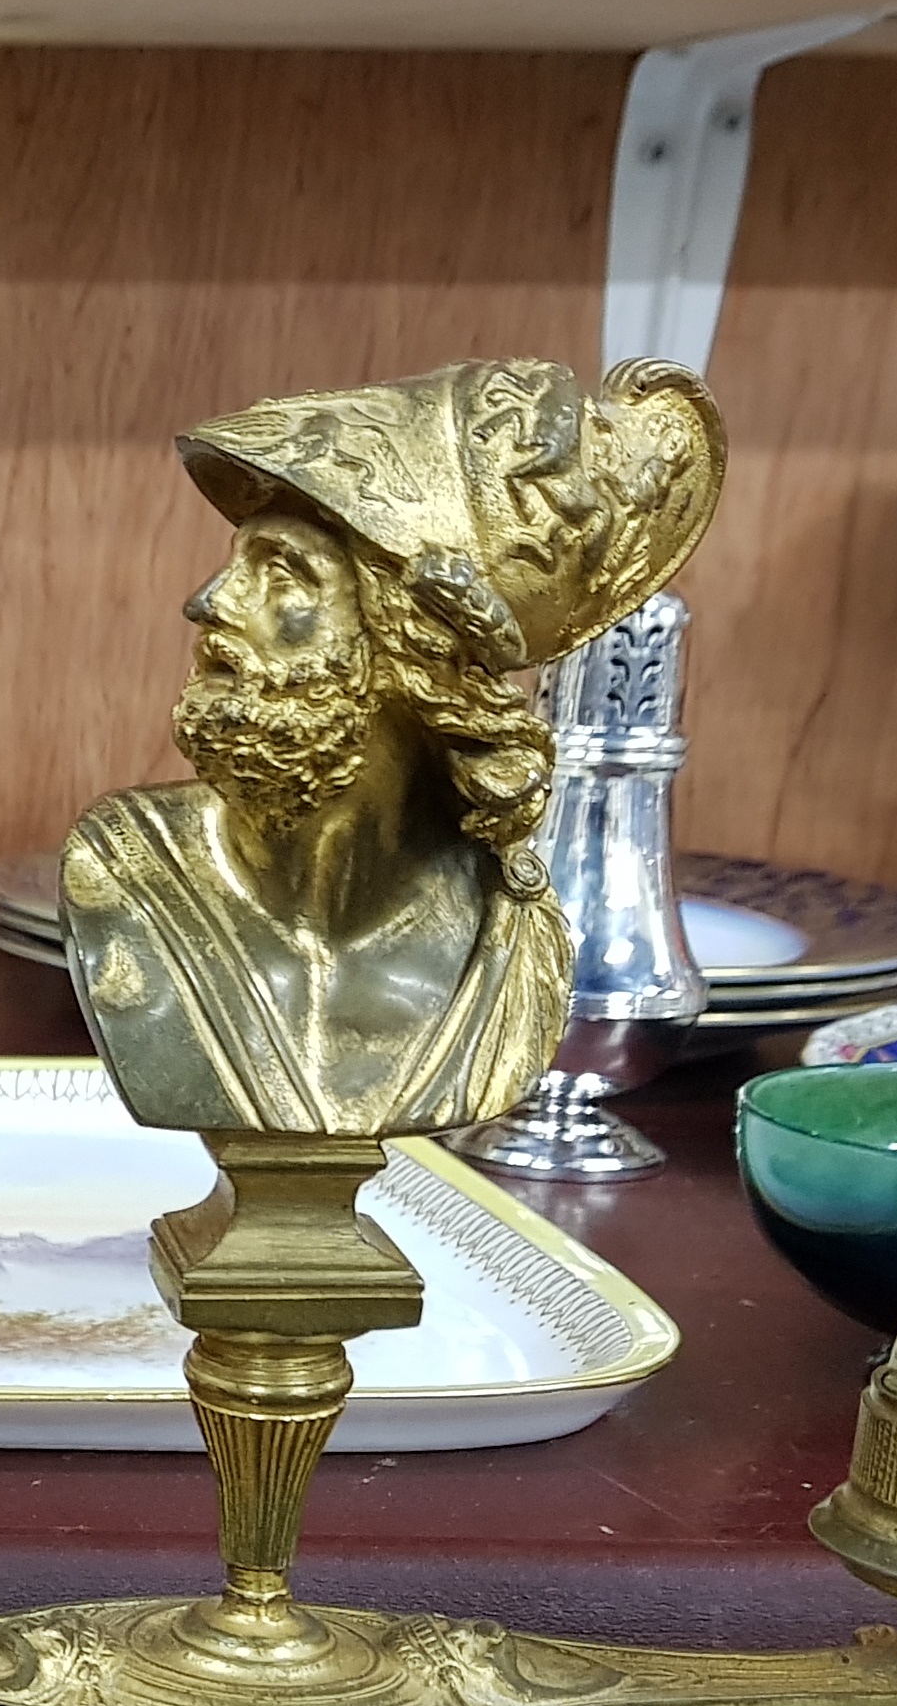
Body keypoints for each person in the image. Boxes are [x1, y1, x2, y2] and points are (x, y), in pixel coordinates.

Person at [61, 358, 723, 1140]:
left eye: (282, 573)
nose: (208, 601)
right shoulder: (123, 869)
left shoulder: (502, 950)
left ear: (415, 647)